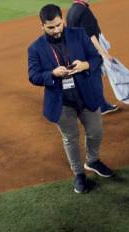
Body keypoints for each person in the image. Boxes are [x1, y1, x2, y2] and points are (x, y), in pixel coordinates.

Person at [27, 4, 115, 194]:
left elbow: (96, 58)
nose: (56, 30)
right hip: (61, 102)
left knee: (96, 131)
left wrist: (85, 65)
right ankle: (79, 174)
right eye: (51, 27)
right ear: (42, 26)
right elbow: (33, 75)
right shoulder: (35, 48)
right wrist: (52, 73)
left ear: (62, 20)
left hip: (86, 95)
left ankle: (92, 161)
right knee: (70, 139)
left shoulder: (79, 34)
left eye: (59, 25)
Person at [66, 0, 119, 115]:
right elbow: (91, 36)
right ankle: (102, 106)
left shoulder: (71, 10)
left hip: (76, 50)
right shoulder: (84, 11)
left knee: (85, 78)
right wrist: (103, 53)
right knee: (95, 77)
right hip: (88, 51)